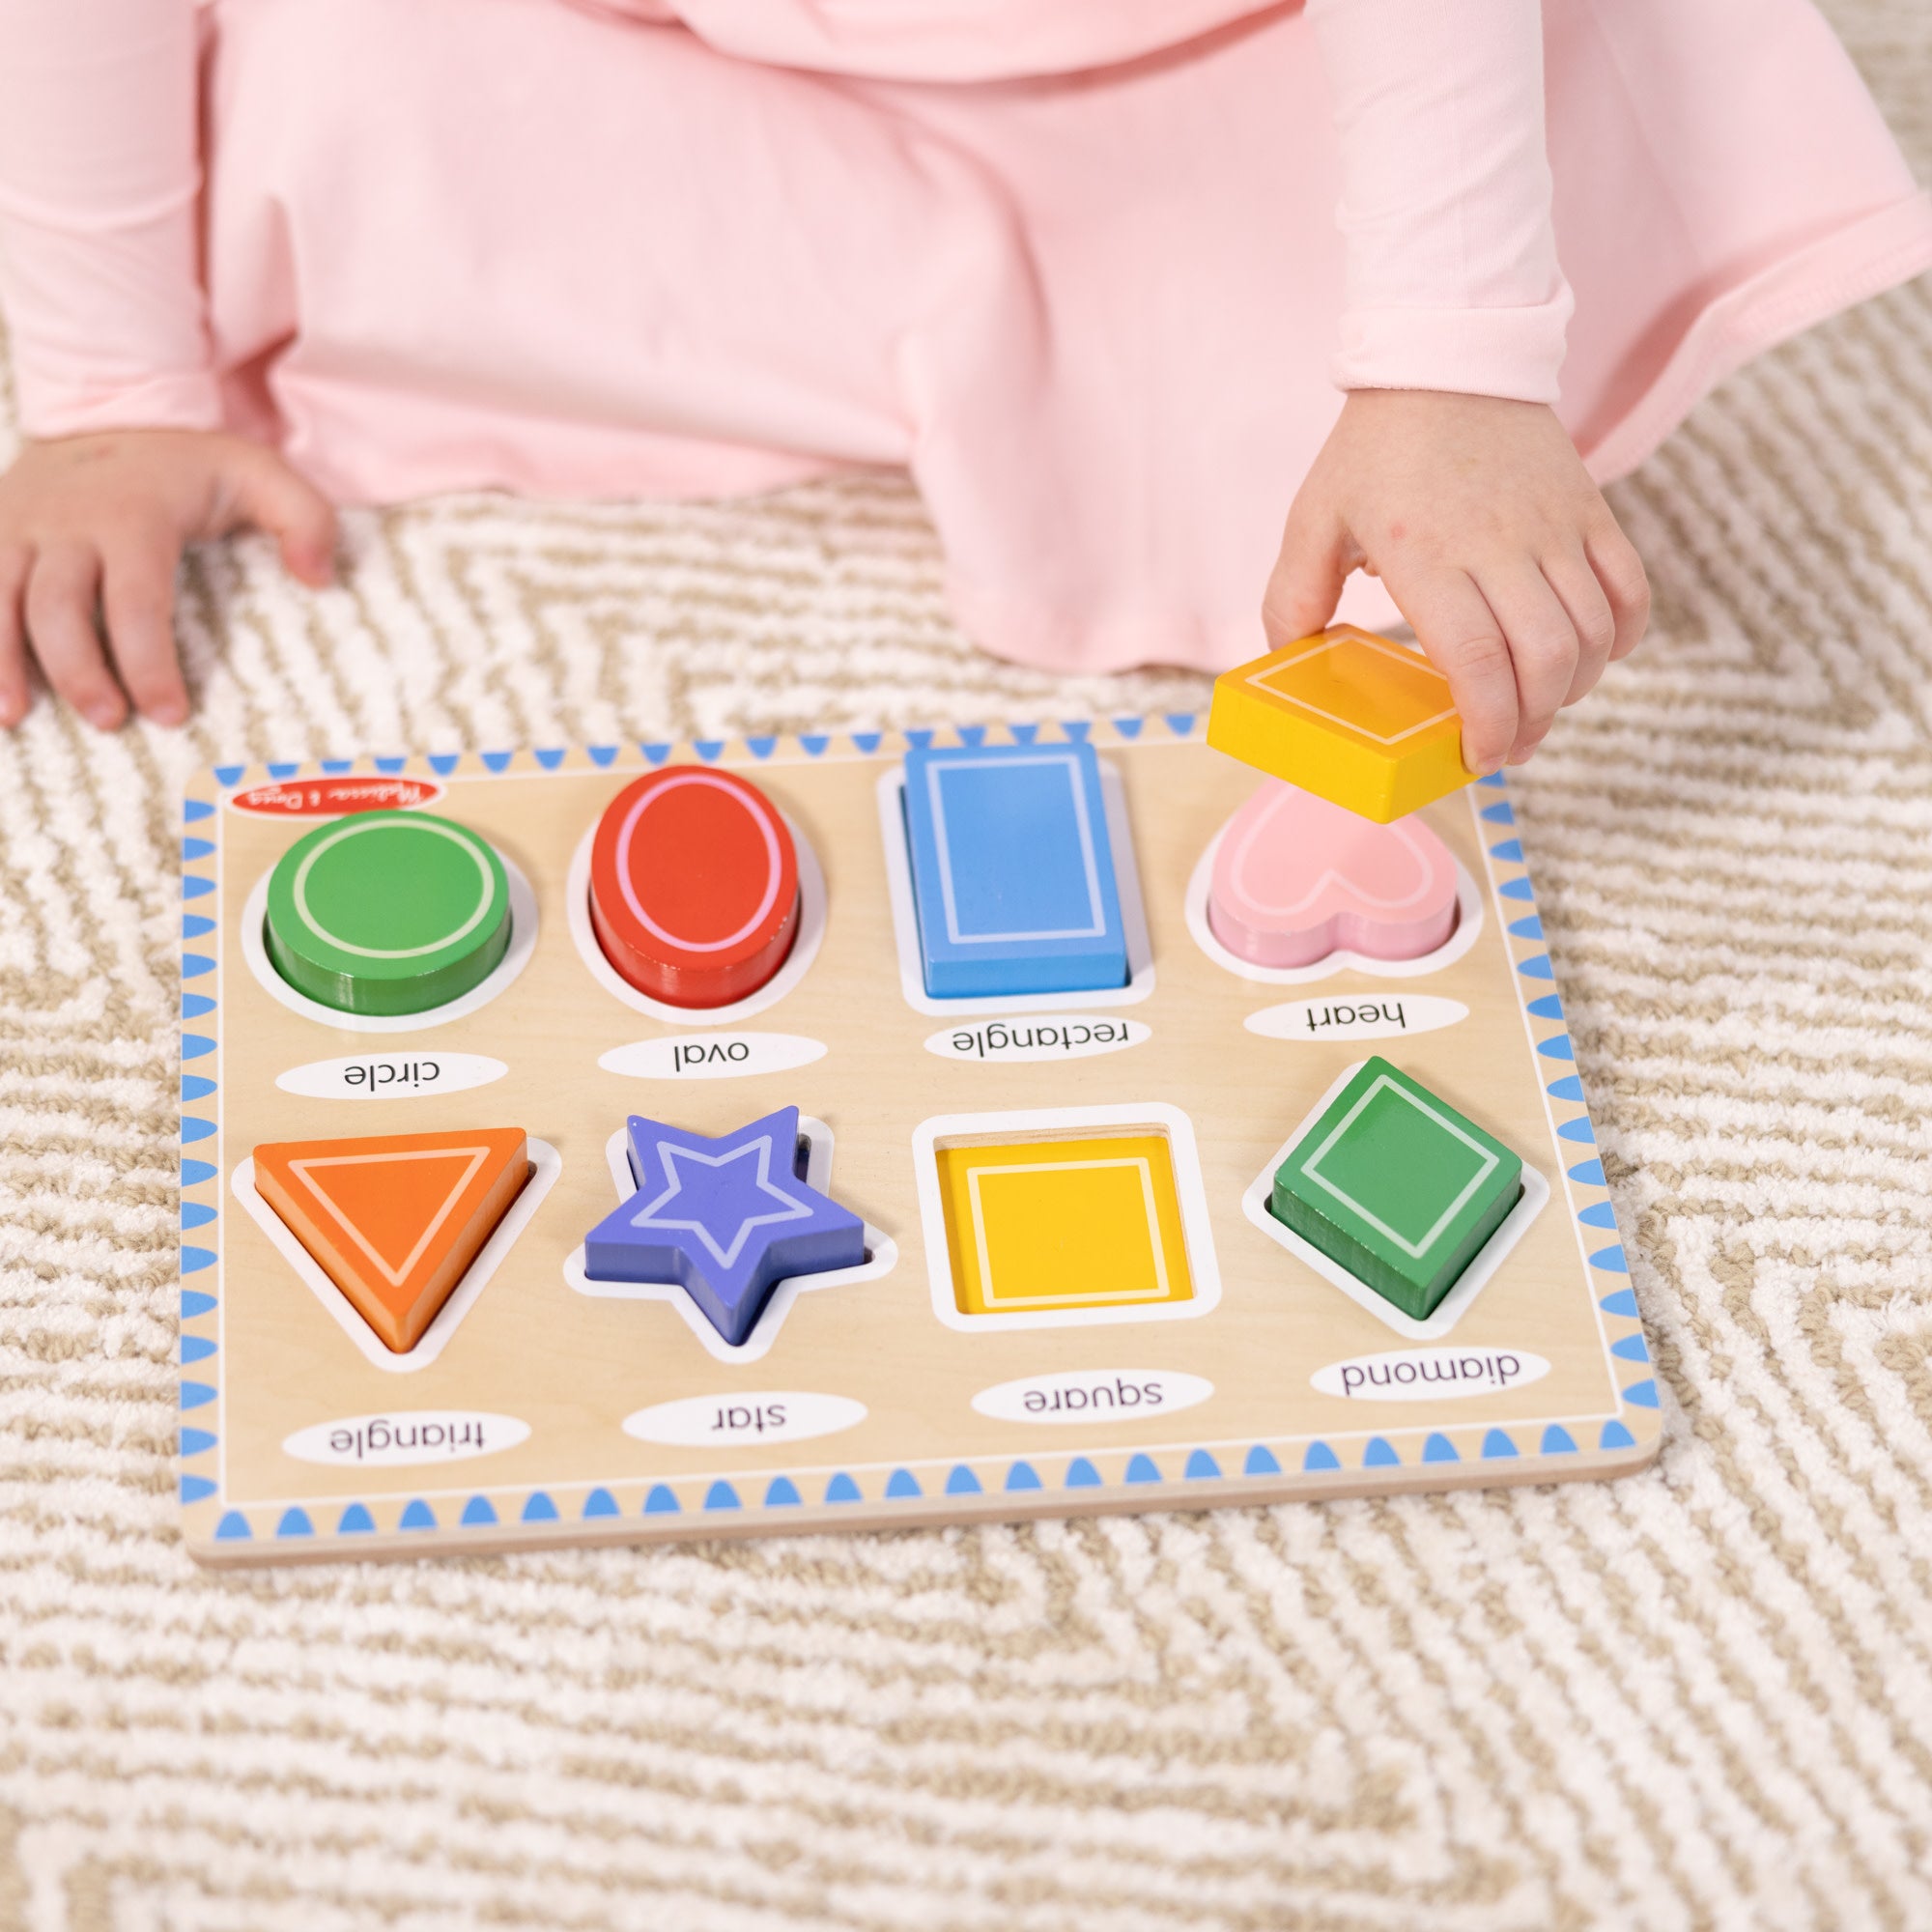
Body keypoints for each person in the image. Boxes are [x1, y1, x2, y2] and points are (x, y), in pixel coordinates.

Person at [0, 0, 1926, 771]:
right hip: (678, 51)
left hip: (1196, 50)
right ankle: (918, 262)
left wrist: (1450, 361)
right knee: (298, 117)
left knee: (1298, 468)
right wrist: (110, 393)